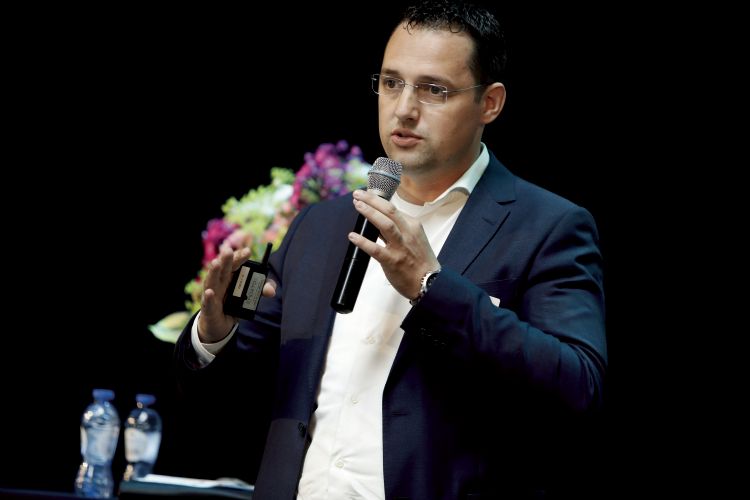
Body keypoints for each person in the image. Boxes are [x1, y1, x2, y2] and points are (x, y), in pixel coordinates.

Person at [174, 1, 606, 498]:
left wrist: (432, 287)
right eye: (392, 82)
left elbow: (580, 387)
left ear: (489, 103)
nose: (404, 109)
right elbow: (226, 403)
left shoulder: (547, 227)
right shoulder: (319, 226)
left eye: (434, 90)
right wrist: (213, 333)